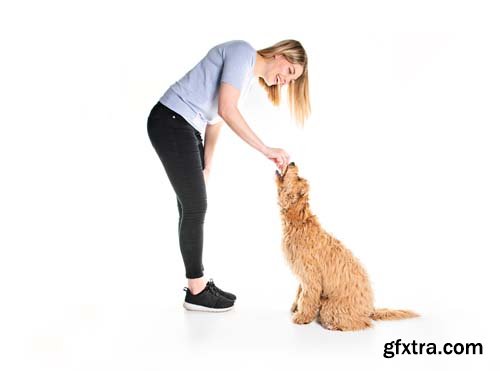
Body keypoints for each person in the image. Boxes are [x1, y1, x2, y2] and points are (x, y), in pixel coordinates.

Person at [147, 39, 311, 312]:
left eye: (291, 81)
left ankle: (197, 286)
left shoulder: (245, 78)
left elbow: (215, 121)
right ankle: (196, 290)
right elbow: (226, 109)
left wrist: (207, 166)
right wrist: (265, 148)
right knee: (195, 207)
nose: (285, 82)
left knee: (191, 207)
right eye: (290, 73)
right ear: (281, 55)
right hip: (171, 120)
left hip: (187, 128)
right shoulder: (242, 52)